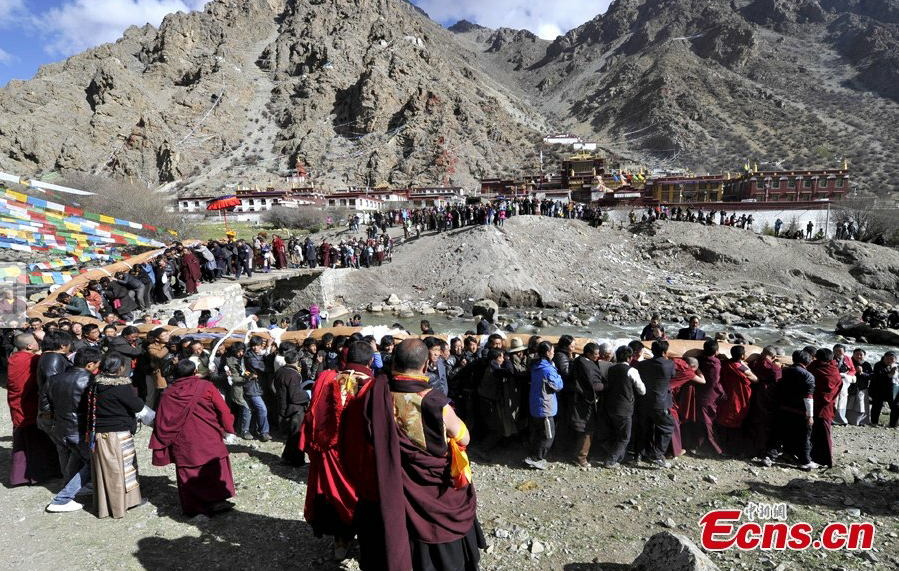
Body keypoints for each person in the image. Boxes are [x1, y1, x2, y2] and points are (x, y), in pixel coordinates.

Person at [356, 338, 484, 570]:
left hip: (395, 482)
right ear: (426, 366)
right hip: (433, 489)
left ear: (393, 361)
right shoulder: (434, 402)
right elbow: (464, 438)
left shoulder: (377, 394)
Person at [301, 340, 377, 560]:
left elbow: (312, 418)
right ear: (371, 361)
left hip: (328, 452)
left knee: (333, 499)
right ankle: (366, 547)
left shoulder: (327, 379)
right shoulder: (370, 385)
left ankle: (340, 543)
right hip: (359, 456)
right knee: (363, 501)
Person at [150, 359, 236, 517]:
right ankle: (218, 500)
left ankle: (195, 506)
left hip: (184, 441)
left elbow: (162, 420)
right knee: (214, 466)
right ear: (195, 372)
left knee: (190, 470)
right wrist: (228, 428)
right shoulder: (206, 387)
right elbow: (223, 410)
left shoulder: (167, 393)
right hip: (208, 434)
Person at [86, 352, 149, 518]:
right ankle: (122, 504)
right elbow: (136, 406)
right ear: (120, 368)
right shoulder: (120, 387)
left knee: (106, 471)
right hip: (117, 433)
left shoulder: (93, 385)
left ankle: (106, 505)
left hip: (98, 433)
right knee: (121, 469)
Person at [45, 348, 102, 512]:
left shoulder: (53, 379)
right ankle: (63, 498)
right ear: (90, 364)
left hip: (61, 427)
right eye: (97, 365)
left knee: (77, 457)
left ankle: (74, 486)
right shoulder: (92, 380)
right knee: (92, 461)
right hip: (81, 429)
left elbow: (45, 406)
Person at [7, 334, 61, 486]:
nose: (38, 343)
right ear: (29, 346)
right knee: (37, 441)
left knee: (23, 441)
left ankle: (20, 476)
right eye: (36, 342)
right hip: (29, 405)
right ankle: (39, 475)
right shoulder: (32, 360)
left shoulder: (14, 358)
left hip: (18, 404)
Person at [764, 350, 817, 470]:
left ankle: (769, 457)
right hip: (799, 411)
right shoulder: (808, 376)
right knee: (803, 437)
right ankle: (805, 461)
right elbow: (808, 397)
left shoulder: (783, 371)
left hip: (782, 407)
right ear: (807, 362)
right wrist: (810, 415)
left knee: (777, 433)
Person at [635, 340, 676, 468]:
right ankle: (657, 454)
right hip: (661, 403)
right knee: (667, 427)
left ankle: (639, 454)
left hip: (644, 401)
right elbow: (672, 376)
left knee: (644, 429)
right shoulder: (669, 364)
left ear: (652, 351)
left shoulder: (642, 365)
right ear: (665, 352)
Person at [604, 345, 646, 468]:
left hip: (611, 405)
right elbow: (642, 390)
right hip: (625, 407)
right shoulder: (631, 371)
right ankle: (610, 461)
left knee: (617, 432)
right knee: (624, 436)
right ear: (629, 358)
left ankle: (621, 457)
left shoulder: (611, 369)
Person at [525, 341, 563, 470]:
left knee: (538, 433)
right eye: (552, 350)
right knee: (548, 435)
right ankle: (537, 458)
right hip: (545, 407)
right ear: (547, 352)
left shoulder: (536, 365)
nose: (554, 352)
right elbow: (558, 386)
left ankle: (533, 455)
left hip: (536, 404)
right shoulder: (547, 369)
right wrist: (557, 374)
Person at [568, 342, 605, 468]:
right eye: (595, 354)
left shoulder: (580, 360)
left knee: (581, 428)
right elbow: (593, 384)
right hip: (585, 400)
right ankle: (581, 458)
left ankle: (577, 455)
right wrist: (606, 386)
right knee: (588, 429)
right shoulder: (586, 365)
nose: (598, 356)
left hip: (578, 398)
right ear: (588, 354)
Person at [808, 348, 842, 467]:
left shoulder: (813, 368)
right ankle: (824, 459)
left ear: (816, 357)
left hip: (814, 405)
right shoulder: (834, 370)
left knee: (814, 432)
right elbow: (839, 385)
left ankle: (818, 458)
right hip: (827, 406)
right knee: (824, 433)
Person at [274, 349, 309, 467]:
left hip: (283, 407)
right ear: (297, 361)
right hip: (294, 409)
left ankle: (287, 457)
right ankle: (298, 461)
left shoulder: (280, 371)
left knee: (291, 435)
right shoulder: (293, 374)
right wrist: (308, 394)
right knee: (297, 436)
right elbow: (295, 396)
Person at [870, 351, 899, 427]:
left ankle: (893, 423)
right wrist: (890, 374)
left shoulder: (895, 366)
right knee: (877, 406)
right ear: (883, 358)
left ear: (895, 359)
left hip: (891, 390)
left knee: (895, 406)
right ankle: (874, 422)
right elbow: (879, 377)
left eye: (892, 359)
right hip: (878, 389)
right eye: (887, 359)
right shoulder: (878, 365)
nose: (889, 361)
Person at [831, 344, 856, 426]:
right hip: (833, 381)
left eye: (840, 351)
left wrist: (847, 375)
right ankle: (832, 418)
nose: (838, 353)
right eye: (836, 351)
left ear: (844, 352)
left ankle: (841, 419)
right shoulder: (830, 358)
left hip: (844, 381)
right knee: (834, 400)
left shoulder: (847, 358)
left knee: (843, 399)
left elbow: (853, 370)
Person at [847, 348, 873, 425]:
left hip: (862, 387)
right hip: (850, 386)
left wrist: (862, 373)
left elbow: (871, 376)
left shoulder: (866, 364)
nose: (858, 356)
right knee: (848, 403)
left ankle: (861, 421)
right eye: (856, 354)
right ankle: (847, 419)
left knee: (861, 404)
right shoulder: (848, 362)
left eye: (861, 355)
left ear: (864, 356)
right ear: (853, 354)